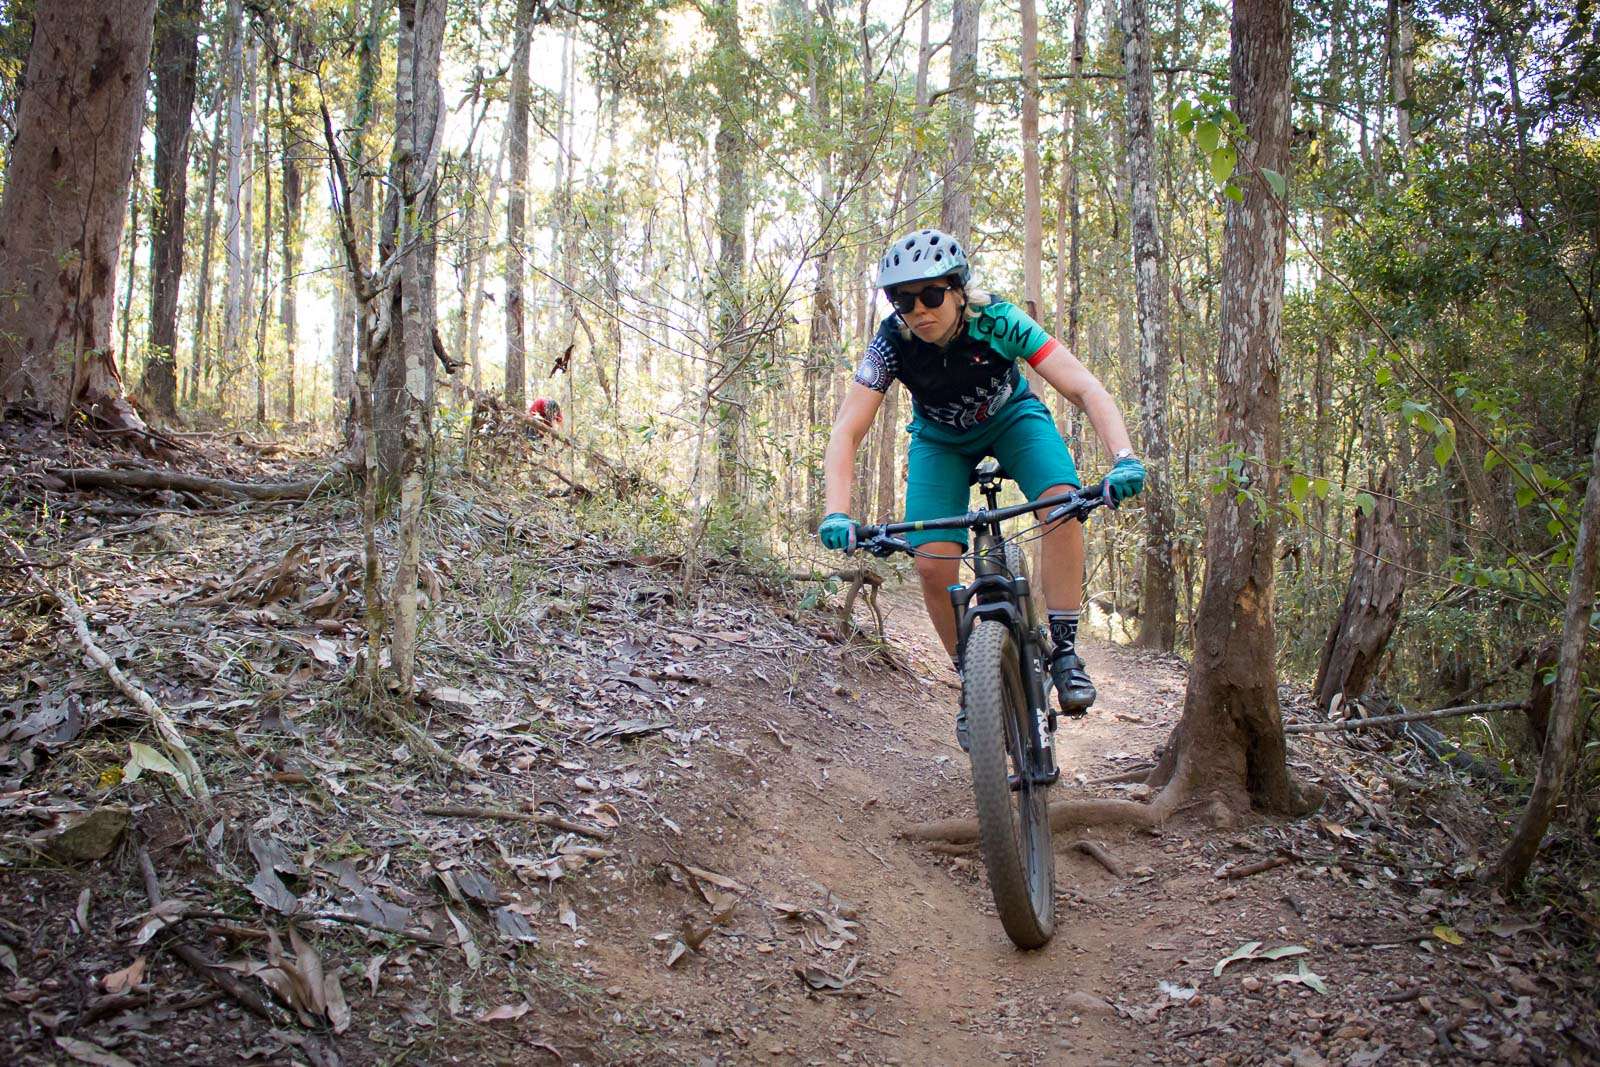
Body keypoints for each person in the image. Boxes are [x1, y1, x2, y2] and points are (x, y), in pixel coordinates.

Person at [817, 228, 1145, 748]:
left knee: (1061, 505)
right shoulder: (892, 342)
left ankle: (1063, 649)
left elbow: (1083, 386)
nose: (918, 310)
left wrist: (1123, 457)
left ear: (957, 289)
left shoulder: (998, 320)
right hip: (940, 441)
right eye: (903, 299)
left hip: (1012, 420)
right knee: (931, 561)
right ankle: (972, 681)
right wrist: (837, 512)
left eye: (930, 295)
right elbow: (847, 429)